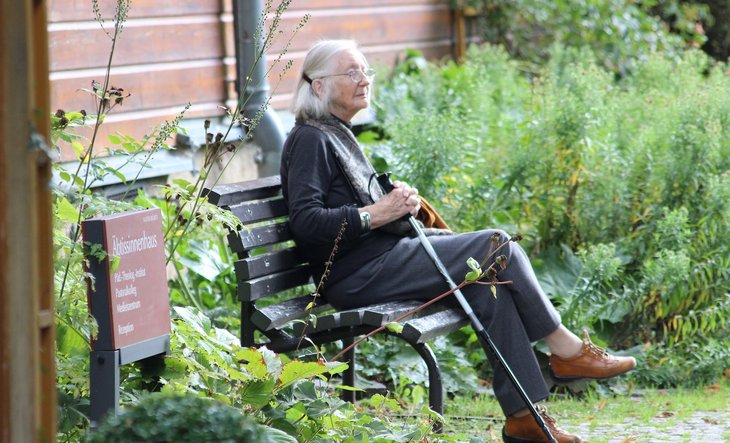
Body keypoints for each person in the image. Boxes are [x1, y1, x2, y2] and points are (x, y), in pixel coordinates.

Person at [280, 39, 636, 443]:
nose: (365, 80)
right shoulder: (311, 138)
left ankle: (525, 419)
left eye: (366, 71)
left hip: (380, 261)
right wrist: (380, 211)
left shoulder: (335, 132)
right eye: (352, 72)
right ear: (319, 86)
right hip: (358, 276)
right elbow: (306, 222)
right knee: (496, 246)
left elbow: (352, 207)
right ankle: (566, 351)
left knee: (488, 285)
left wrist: (396, 201)